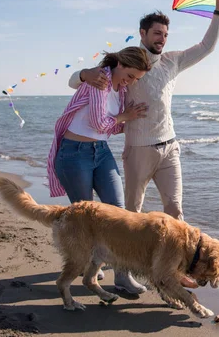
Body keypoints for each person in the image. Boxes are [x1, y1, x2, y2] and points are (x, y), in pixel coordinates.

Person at [68, 0, 219, 222]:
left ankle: (175, 258)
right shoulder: (128, 61)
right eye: (157, 33)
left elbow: (207, 47)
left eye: (165, 34)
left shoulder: (172, 61)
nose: (162, 39)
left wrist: (218, 12)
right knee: (132, 213)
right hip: (138, 149)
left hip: (169, 147)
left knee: (175, 211)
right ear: (142, 33)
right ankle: (126, 258)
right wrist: (83, 74)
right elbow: (77, 82)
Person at [47, 46, 150, 294]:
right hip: (74, 154)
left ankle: (122, 276)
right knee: (87, 216)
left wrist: (129, 122)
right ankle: (90, 266)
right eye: (131, 75)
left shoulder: (121, 89)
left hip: (101, 153)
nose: (130, 81)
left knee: (119, 214)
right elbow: (97, 122)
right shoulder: (100, 80)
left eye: (136, 79)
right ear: (121, 63)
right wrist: (124, 117)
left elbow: (108, 129)